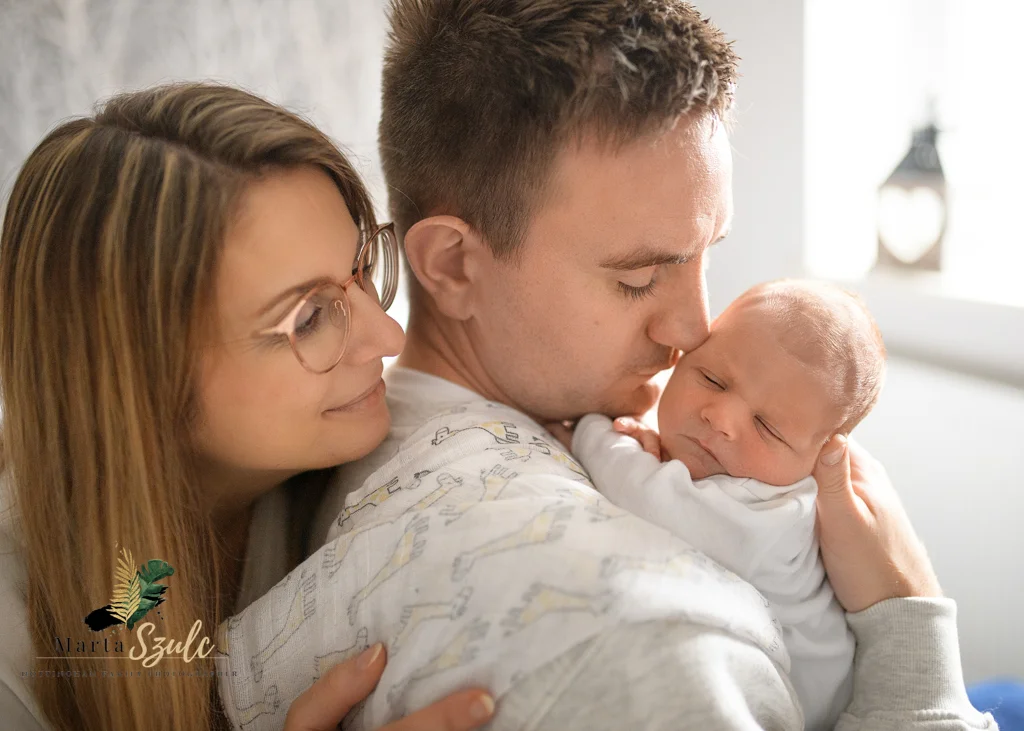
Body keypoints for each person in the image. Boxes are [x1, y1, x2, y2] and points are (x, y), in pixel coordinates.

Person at [218, 2, 996, 730]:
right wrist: (910, 627)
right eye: (637, 276)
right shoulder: (659, 643)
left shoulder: (355, 429)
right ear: (454, 264)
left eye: (704, 256)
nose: (696, 328)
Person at [0, 82, 495, 731]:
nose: (389, 336)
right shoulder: (17, 653)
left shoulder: (373, 454)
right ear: (144, 382)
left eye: (362, 266)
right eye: (312, 316)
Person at [569, 279, 889, 730]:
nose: (720, 419)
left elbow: (645, 498)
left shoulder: (773, 515)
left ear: (819, 462)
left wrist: (594, 428)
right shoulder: (728, 469)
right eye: (712, 380)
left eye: (768, 428)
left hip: (812, 710)